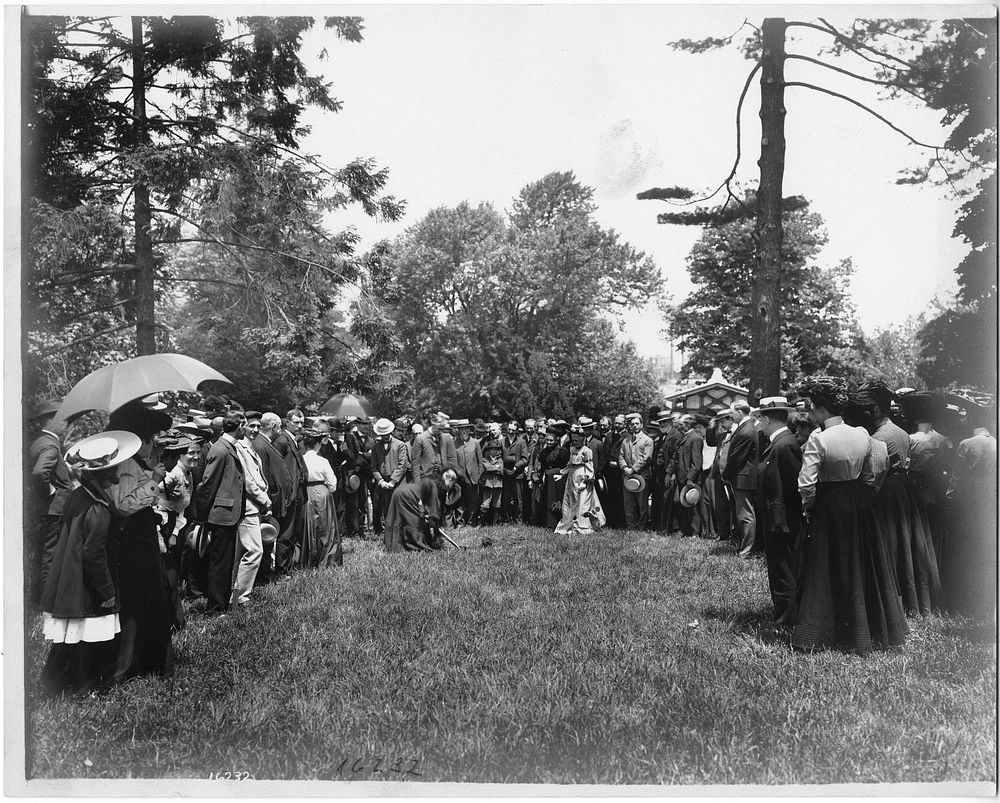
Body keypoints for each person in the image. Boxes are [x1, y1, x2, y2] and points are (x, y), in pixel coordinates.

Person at [793, 376, 908, 654]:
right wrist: (862, 495)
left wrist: (809, 508)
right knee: (863, 563)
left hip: (830, 503)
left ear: (821, 408)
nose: (809, 412)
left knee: (826, 564)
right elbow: (870, 472)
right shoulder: (860, 433)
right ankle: (870, 626)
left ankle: (824, 629)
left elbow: (806, 483)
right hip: (860, 501)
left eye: (811, 407)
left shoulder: (818, 438)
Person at [39, 430, 138, 694]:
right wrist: (106, 592)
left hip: (68, 579)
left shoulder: (77, 496)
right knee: (86, 639)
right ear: (106, 473)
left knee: (72, 639)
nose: (118, 474)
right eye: (114, 469)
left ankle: (60, 684)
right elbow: (93, 555)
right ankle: (85, 690)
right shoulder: (99, 508)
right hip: (84, 584)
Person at [856, 381, 941, 617]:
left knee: (892, 545)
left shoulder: (879, 437)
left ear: (874, 410)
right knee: (909, 544)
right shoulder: (901, 432)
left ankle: (895, 598)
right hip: (904, 488)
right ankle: (914, 597)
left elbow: (875, 473)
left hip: (888, 491)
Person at [106, 400, 175, 681]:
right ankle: (132, 665)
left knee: (150, 600)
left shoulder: (134, 462)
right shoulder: (125, 464)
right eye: (151, 439)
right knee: (140, 601)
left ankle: (149, 661)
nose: (153, 445)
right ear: (139, 440)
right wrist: (154, 481)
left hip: (142, 539)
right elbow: (123, 503)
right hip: (133, 543)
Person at [753, 397, 804, 629]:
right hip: (776, 518)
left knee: (783, 568)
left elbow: (794, 487)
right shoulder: (780, 442)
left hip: (782, 520)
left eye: (760, 420)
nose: (759, 424)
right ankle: (784, 614)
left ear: (766, 419)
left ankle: (786, 620)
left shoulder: (784, 445)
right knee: (779, 567)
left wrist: (784, 517)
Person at [943, 402, 996, 619]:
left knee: (966, 549)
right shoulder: (994, 442)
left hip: (971, 502)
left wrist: (949, 499)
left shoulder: (968, 443)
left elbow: (957, 479)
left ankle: (965, 600)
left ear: (973, 419)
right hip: (991, 499)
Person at [194, 410, 248, 615]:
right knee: (219, 563)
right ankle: (215, 608)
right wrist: (201, 516)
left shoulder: (227, 447)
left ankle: (221, 604)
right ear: (239, 426)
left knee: (225, 562)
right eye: (244, 424)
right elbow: (207, 484)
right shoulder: (221, 449)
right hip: (220, 515)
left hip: (228, 514)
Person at [26, 398, 74, 608]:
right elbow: (39, 473)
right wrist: (50, 491)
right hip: (53, 510)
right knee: (50, 558)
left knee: (41, 557)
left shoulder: (38, 440)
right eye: (62, 419)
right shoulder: (51, 445)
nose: (66, 424)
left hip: (44, 510)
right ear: (49, 421)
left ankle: (37, 600)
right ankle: (46, 604)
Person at [253, 412, 293, 586]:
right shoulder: (261, 445)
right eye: (279, 428)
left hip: (275, 500)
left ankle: (266, 575)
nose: (280, 432)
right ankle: (264, 577)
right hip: (269, 502)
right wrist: (268, 501)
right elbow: (263, 476)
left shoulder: (265, 443)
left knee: (269, 539)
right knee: (266, 539)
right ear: (274, 427)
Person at [383, 470, 456, 552]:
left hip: (400, 491)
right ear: (449, 480)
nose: (450, 487)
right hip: (406, 495)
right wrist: (433, 523)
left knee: (400, 519)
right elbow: (434, 513)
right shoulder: (435, 486)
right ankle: (415, 546)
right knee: (414, 523)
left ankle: (395, 544)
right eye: (452, 483)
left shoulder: (433, 481)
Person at [300, 427, 342, 568]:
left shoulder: (301, 459)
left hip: (305, 492)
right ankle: (327, 559)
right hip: (322, 492)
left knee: (308, 525)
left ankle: (307, 558)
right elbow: (333, 483)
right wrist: (327, 490)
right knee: (326, 527)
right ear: (318, 444)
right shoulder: (322, 461)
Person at [722, 400, 758, 559]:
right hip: (742, 478)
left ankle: (746, 550)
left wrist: (725, 474)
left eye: (732, 412)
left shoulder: (746, 430)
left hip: (743, 478)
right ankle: (745, 547)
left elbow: (737, 458)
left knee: (746, 515)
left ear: (740, 411)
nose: (730, 415)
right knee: (743, 515)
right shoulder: (746, 428)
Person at [272, 410, 307, 576]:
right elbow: (277, 469)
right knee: (286, 533)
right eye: (296, 423)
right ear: (287, 422)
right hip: (289, 494)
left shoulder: (294, 440)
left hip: (298, 493)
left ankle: (289, 567)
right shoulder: (282, 441)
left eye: (301, 422)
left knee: (294, 532)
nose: (300, 426)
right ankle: (281, 570)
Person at [554, 423, 605, 534]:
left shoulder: (587, 451)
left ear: (582, 440)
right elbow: (569, 464)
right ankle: (570, 524)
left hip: (583, 479)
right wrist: (562, 474)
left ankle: (582, 526)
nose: (575, 443)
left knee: (582, 504)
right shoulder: (573, 450)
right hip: (572, 478)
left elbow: (590, 468)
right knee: (571, 502)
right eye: (573, 441)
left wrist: (586, 481)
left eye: (577, 441)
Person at [370, 418, 410, 538]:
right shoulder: (376, 447)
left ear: (391, 432)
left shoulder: (400, 445)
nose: (385, 437)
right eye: (383, 435)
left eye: (387, 434)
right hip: (383, 483)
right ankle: (389, 534)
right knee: (386, 508)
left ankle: (403, 534)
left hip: (398, 482)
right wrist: (380, 481)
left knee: (400, 507)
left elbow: (402, 465)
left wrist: (393, 481)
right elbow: (373, 466)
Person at [669, 415, 704, 538]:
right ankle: (686, 531)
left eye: (682, 424)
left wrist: (690, 478)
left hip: (690, 479)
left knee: (692, 505)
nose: (679, 426)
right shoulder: (685, 437)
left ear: (688, 424)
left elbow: (697, 462)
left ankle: (694, 533)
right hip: (681, 477)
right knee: (681, 502)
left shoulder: (695, 438)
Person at [619, 413, 654, 529]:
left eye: (637, 423)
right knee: (628, 502)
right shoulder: (626, 441)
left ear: (641, 424)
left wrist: (633, 469)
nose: (634, 426)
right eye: (632, 424)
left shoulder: (647, 440)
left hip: (641, 476)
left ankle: (642, 525)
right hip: (627, 476)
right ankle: (630, 524)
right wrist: (625, 468)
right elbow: (621, 456)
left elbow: (646, 458)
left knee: (642, 503)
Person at [706, 409, 735, 542]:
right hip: (718, 472)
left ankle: (734, 534)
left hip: (730, 473)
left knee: (732, 505)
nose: (721, 425)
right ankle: (722, 534)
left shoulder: (737, 433)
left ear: (731, 419)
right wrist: (712, 426)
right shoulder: (722, 435)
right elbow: (711, 441)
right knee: (720, 504)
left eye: (723, 422)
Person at [454, 420, 484, 525]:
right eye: (461, 429)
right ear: (458, 430)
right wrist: (458, 474)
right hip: (460, 478)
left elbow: (480, 462)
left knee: (473, 501)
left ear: (469, 430)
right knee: (460, 502)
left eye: (466, 429)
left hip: (473, 478)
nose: (464, 431)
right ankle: (460, 522)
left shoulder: (475, 443)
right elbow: (453, 462)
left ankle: (471, 522)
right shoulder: (455, 443)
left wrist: (479, 476)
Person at [500, 421, 528, 522]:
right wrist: (504, 469)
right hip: (506, 474)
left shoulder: (521, 442)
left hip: (517, 474)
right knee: (506, 497)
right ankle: (507, 519)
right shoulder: (502, 441)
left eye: (513, 430)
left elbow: (525, 459)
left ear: (517, 431)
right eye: (509, 429)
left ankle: (518, 520)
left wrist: (516, 467)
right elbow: (499, 456)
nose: (510, 432)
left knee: (518, 499)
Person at [480, 436, 504, 525]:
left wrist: (494, 468)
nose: (494, 451)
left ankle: (494, 523)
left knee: (497, 503)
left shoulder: (500, 459)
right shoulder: (485, 459)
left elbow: (501, 470)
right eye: (491, 449)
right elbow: (487, 468)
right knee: (485, 503)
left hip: (498, 483)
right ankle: (481, 522)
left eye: (495, 449)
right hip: (488, 484)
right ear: (489, 450)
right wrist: (495, 468)